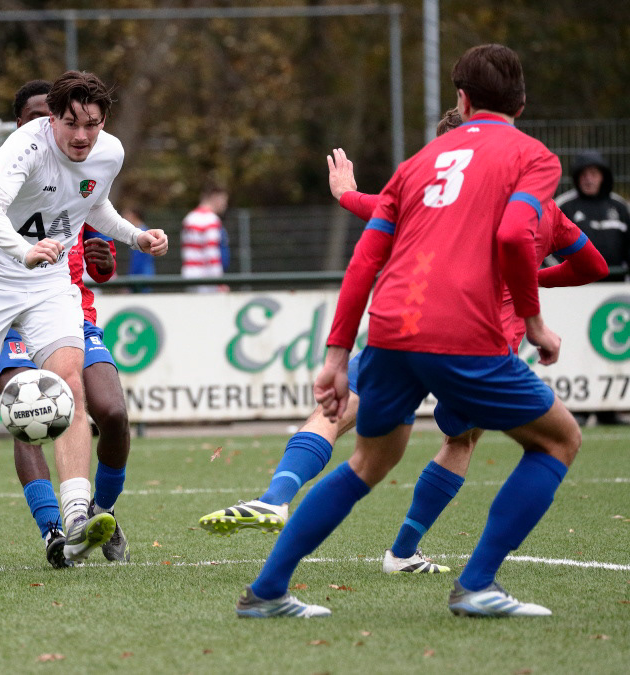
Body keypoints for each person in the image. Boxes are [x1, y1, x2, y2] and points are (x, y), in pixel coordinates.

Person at [236, 44, 582, 619]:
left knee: (367, 463)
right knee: (557, 440)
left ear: (462, 99)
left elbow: (365, 259)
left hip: (392, 328)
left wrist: (336, 355)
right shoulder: (533, 156)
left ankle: (267, 591)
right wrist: (537, 320)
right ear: (521, 102)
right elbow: (517, 235)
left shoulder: (420, 162)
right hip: (462, 331)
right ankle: (476, 586)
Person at [0, 70, 167, 564]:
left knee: (69, 384)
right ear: (51, 121)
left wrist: (135, 236)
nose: (82, 136)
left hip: (46, 281)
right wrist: (23, 251)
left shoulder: (110, 151)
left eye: (92, 124)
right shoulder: (24, 147)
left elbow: (94, 203)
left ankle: (78, 517)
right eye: (70, 123)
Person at [0, 79, 131, 568]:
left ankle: (100, 514)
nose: (47, 131)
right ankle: (53, 528)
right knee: (30, 415)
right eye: (33, 120)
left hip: (69, 308)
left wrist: (104, 259)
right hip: (5, 316)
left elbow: (102, 254)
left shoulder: (86, 163)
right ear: (23, 125)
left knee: (111, 411)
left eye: (82, 124)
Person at [556, 151, 630, 282]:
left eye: (593, 174)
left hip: (616, 286)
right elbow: (546, 248)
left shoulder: (620, 206)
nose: (588, 179)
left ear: (603, 176)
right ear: (577, 178)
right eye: (584, 175)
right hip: (576, 287)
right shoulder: (563, 206)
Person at [180, 186, 228, 292]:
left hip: (189, 273)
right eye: (224, 200)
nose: (225, 205)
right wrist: (218, 281)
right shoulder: (211, 220)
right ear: (215, 198)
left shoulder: (189, 218)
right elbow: (211, 253)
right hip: (206, 278)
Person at [125, 207, 156, 292]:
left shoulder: (141, 236)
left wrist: (129, 283)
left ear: (134, 216)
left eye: (127, 214)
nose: (124, 217)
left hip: (140, 279)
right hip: (145, 277)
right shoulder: (145, 232)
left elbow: (137, 262)